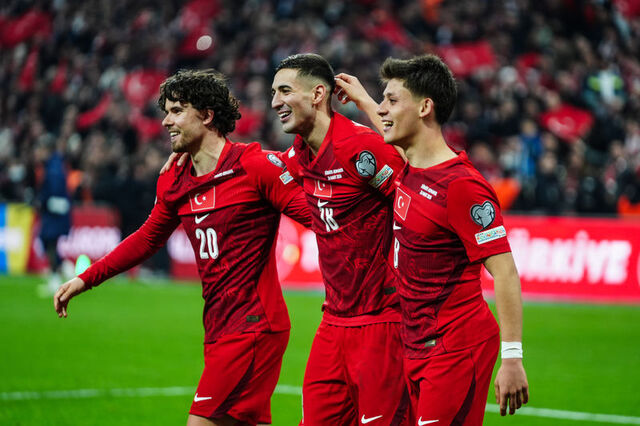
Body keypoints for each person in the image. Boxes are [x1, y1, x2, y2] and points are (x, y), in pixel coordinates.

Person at [54, 69, 311, 426]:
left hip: (254, 325)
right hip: (219, 326)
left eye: (176, 111)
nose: (166, 121)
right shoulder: (174, 178)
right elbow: (147, 238)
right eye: (167, 112)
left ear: (206, 115)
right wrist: (86, 278)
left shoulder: (254, 167)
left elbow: (318, 217)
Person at [334, 55, 529, 424]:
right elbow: (388, 128)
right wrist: (361, 99)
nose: (383, 109)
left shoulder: (462, 187)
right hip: (415, 344)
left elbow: (505, 272)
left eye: (392, 100)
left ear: (425, 107)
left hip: (456, 348)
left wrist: (512, 359)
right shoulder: (411, 168)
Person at [271, 54, 410, 425]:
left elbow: (415, 194)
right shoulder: (299, 155)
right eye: (274, 92)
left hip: (382, 321)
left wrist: (367, 103)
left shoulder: (359, 148)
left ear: (318, 94)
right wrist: (198, 155)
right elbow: (256, 167)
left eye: (284, 91)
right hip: (333, 322)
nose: (274, 102)